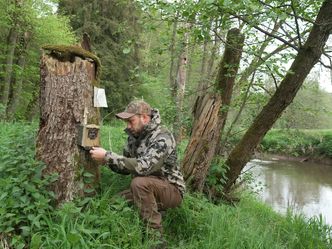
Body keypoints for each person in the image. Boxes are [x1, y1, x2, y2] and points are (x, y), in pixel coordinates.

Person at [90, 100, 185, 247]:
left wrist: (108, 156)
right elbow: (125, 168)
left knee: (139, 183)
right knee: (113, 203)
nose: (128, 126)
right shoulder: (133, 137)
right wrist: (105, 161)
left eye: (131, 121)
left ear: (145, 118)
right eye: (126, 122)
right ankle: (121, 233)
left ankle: (156, 240)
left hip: (171, 190)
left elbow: (143, 167)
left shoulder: (162, 137)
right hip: (147, 187)